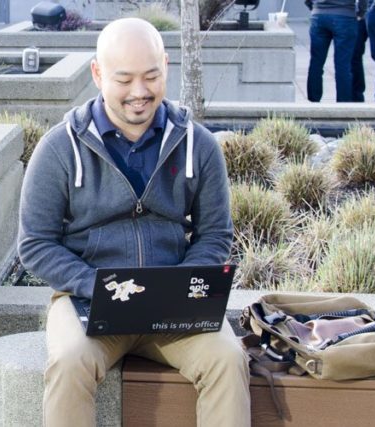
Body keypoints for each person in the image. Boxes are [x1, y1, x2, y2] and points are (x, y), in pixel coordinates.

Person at [17, 17, 250, 427]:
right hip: (89, 301)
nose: (139, 92)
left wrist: (179, 286)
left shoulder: (200, 145)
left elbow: (215, 234)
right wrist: (97, 286)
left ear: (165, 65)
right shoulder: (59, 148)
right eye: (123, 80)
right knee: (69, 362)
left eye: (151, 76)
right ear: (97, 73)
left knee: (227, 359)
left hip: (175, 306)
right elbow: (35, 243)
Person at [305, 0, 368, 102]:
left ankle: (313, 101)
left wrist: (313, 6)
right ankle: (343, 105)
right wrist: (361, 12)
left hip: (319, 15)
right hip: (345, 15)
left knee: (316, 63)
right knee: (343, 65)